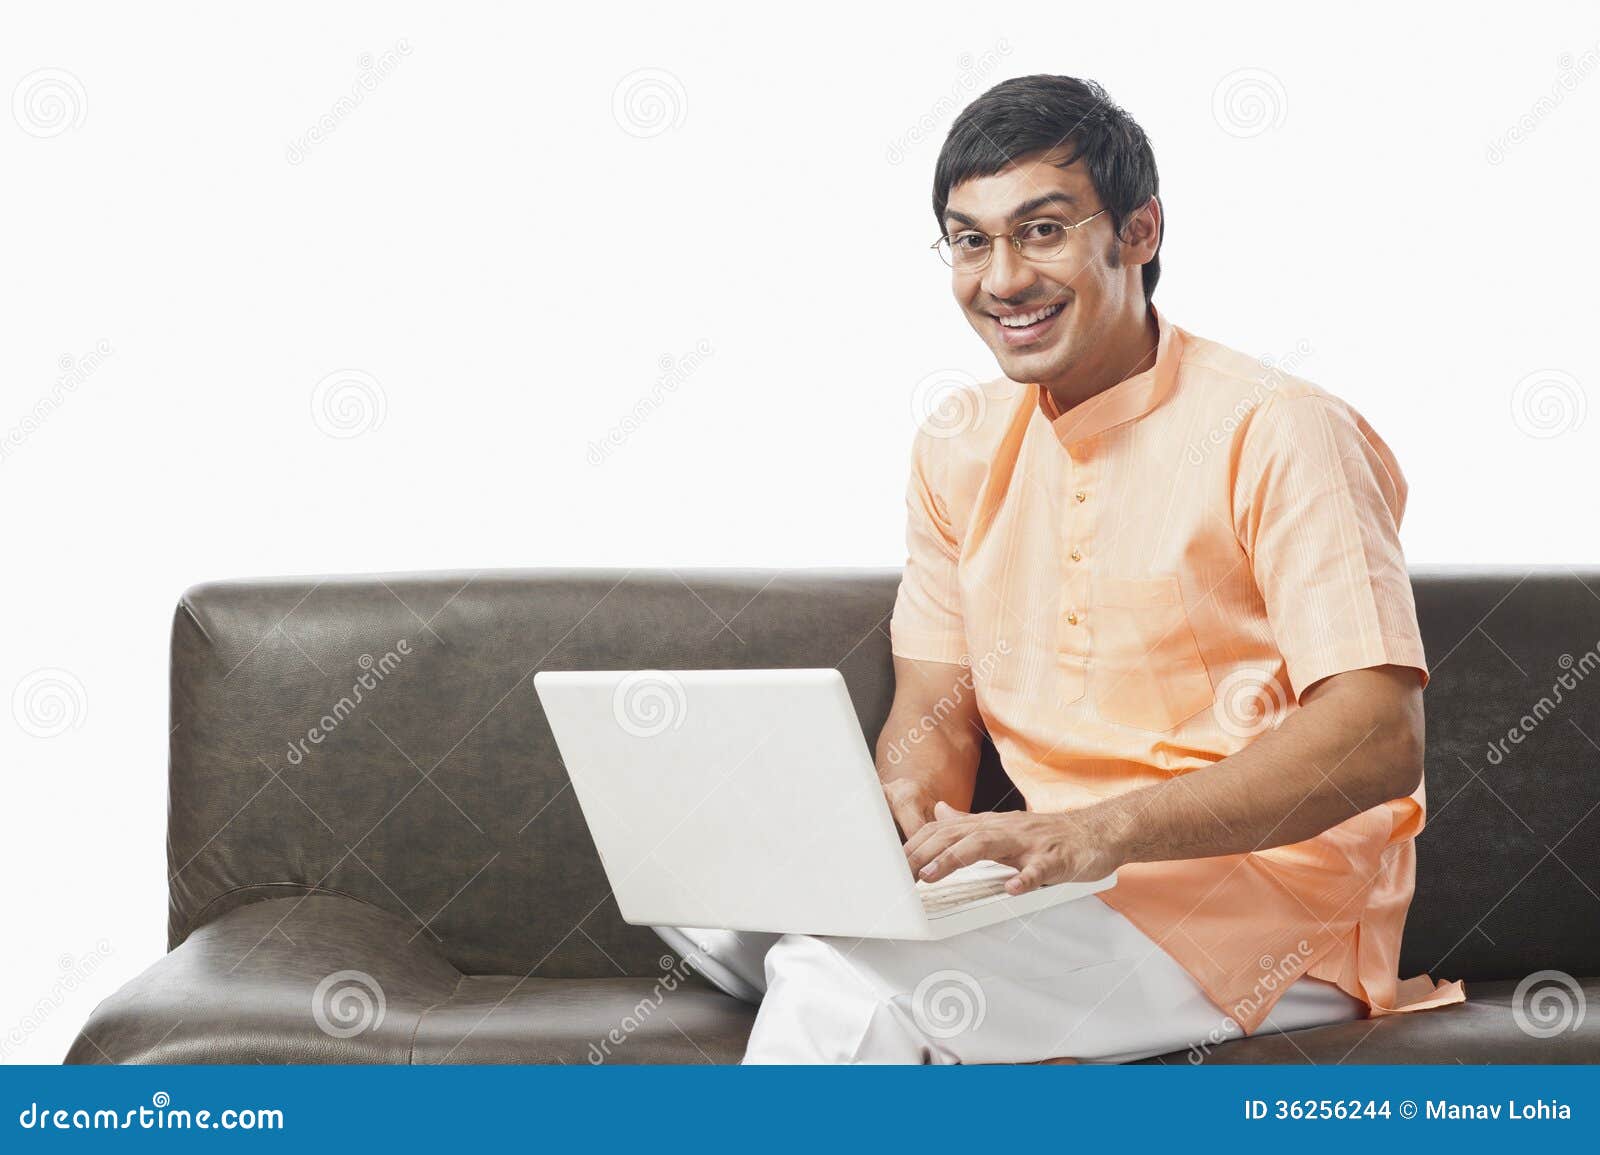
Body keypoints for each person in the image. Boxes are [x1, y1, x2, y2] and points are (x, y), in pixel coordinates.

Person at [655, 73, 1463, 1064]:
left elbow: (1376, 738)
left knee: (831, 980)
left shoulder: (1279, 429)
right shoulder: (956, 443)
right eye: (969, 239)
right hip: (1055, 887)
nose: (1000, 279)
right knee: (699, 895)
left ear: (1137, 232)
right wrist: (899, 820)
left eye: (1041, 230)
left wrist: (1093, 834)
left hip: (1257, 909)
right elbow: (931, 710)